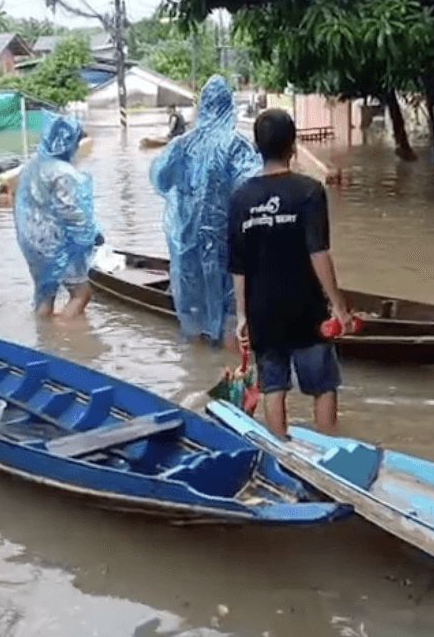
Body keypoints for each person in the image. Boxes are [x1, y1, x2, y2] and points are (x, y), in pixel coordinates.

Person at [228, 109, 352, 439]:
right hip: (306, 309)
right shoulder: (309, 191)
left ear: (257, 147)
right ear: (293, 145)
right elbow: (319, 253)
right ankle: (329, 450)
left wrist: (241, 316)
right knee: (323, 386)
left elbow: (237, 265)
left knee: (273, 386)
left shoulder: (241, 198)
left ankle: (280, 449)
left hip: (262, 312)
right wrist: (340, 307)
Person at [151, 75, 260, 345]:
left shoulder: (181, 145)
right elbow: (253, 187)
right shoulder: (237, 145)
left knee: (194, 307)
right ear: (229, 106)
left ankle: (197, 373)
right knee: (231, 311)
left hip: (188, 240)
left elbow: (161, 180)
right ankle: (229, 372)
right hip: (226, 239)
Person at [15, 113, 101, 318]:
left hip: (32, 242)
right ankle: (65, 340)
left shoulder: (32, 165)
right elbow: (70, 213)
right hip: (59, 243)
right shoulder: (64, 172)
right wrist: (93, 234)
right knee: (81, 293)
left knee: (45, 292)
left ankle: (45, 336)